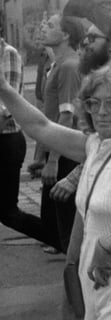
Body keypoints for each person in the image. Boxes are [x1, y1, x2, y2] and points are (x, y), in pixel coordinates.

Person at [0, 59, 111, 319]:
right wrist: (5, 90)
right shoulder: (97, 145)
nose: (101, 111)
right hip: (97, 280)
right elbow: (40, 126)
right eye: (93, 102)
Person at [0, 32, 56, 248]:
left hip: (6, 141)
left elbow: (6, 108)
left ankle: (62, 240)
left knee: (8, 212)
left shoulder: (8, 53)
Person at [41, 13, 86, 253]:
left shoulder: (69, 66)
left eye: (50, 25)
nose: (43, 29)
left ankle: (75, 273)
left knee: (66, 220)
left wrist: (53, 160)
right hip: (58, 147)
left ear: (66, 34)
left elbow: (67, 115)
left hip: (67, 150)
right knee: (55, 220)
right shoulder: (60, 64)